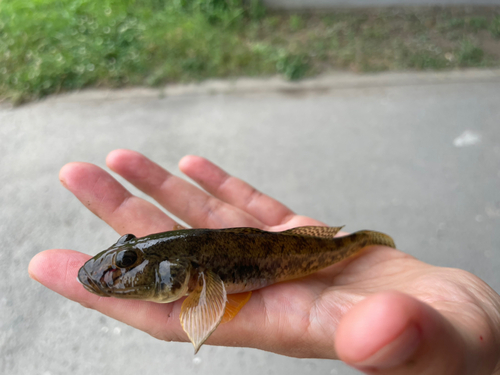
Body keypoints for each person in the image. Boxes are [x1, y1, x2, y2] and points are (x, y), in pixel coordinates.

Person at [28, 149, 500, 375]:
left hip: (304, 249)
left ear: (187, 274)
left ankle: (366, 241)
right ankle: (365, 240)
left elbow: (209, 305)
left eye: (129, 260)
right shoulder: (180, 264)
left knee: (354, 244)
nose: (119, 270)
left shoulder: (193, 272)